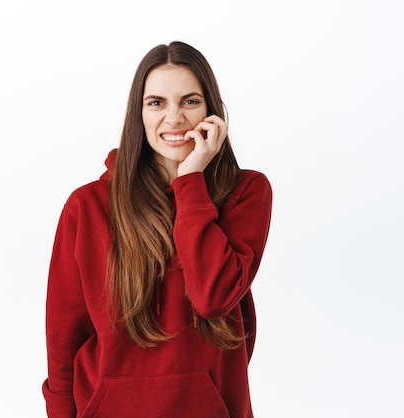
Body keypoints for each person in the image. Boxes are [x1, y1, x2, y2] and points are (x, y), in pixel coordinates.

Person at [42, 40, 273, 418]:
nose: (174, 118)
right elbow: (63, 337)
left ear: (211, 111)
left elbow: (212, 296)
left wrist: (191, 179)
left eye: (189, 101)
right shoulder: (87, 206)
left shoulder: (246, 193)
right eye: (157, 103)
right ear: (139, 113)